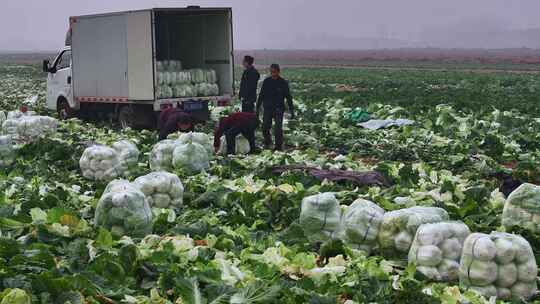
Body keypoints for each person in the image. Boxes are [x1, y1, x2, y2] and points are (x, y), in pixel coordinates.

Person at [256, 64, 294, 151]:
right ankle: (268, 142)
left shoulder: (283, 82)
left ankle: (278, 147)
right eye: (271, 72)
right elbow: (261, 95)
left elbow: (288, 97)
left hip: (278, 108)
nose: (273, 74)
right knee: (265, 127)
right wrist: (257, 108)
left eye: (274, 72)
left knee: (277, 129)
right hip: (268, 108)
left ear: (278, 72)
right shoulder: (267, 81)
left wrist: (292, 110)